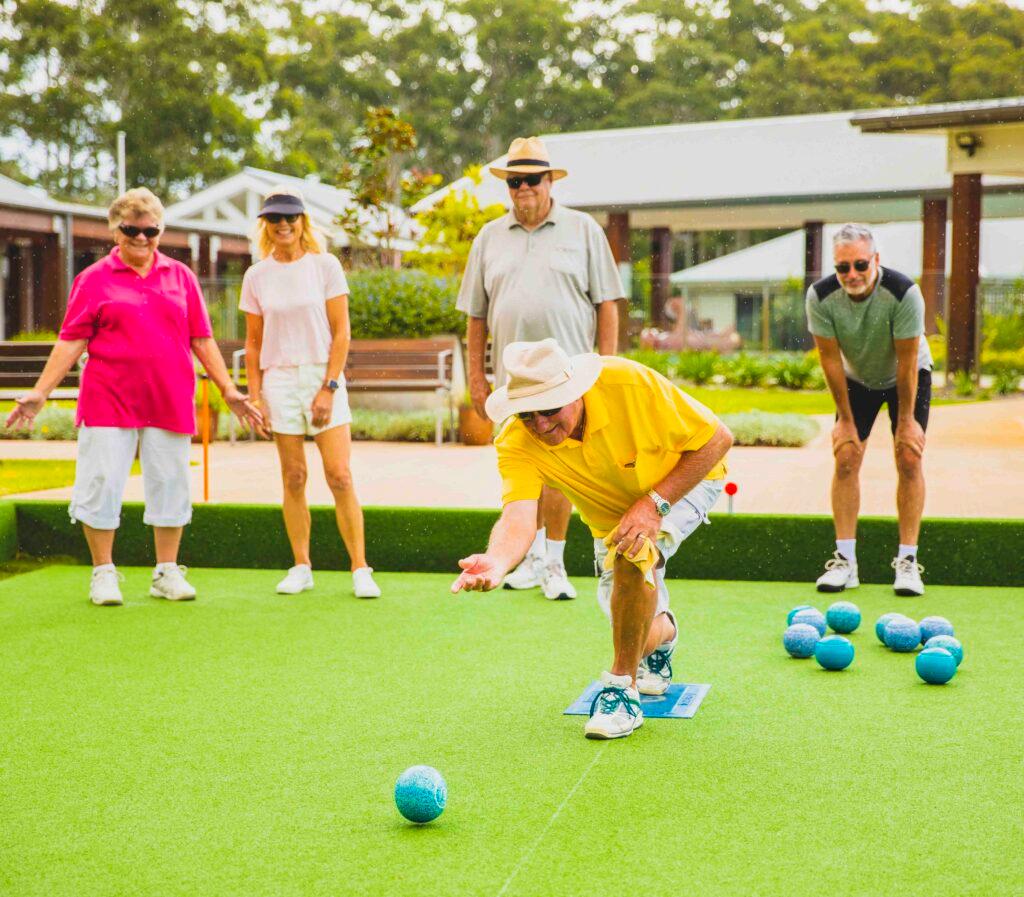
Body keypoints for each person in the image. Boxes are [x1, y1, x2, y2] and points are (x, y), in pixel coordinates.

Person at [451, 339, 732, 740]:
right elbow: (518, 515)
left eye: (550, 410)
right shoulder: (516, 442)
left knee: (633, 553)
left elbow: (717, 438)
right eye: (528, 415)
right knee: (634, 632)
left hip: (687, 481)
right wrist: (498, 560)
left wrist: (653, 504)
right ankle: (665, 634)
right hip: (611, 518)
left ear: (576, 392)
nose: (541, 426)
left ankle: (621, 692)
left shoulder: (630, 384)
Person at [4, 188, 262, 606]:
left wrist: (228, 389)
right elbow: (71, 341)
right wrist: (40, 392)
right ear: (115, 229)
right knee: (101, 479)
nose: (141, 238)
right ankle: (103, 573)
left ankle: (166, 571)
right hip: (108, 397)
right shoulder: (92, 280)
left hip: (169, 396)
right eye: (131, 229)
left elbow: (202, 337)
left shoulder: (181, 276)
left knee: (170, 481)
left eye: (151, 230)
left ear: (161, 230)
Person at [458, 136, 623, 601]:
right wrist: (477, 377)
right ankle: (527, 560)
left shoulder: (584, 229)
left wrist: (604, 366)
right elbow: (475, 316)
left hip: (568, 377)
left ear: (550, 181)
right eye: (515, 180)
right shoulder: (488, 237)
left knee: (563, 470)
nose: (523, 188)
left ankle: (553, 561)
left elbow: (606, 304)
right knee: (524, 469)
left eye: (532, 179)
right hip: (514, 382)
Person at [240, 186, 381, 599]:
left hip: (322, 375)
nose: (283, 224)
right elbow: (252, 341)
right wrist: (256, 393)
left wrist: (329, 386)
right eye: (275, 218)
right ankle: (301, 565)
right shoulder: (256, 275)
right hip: (278, 379)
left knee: (339, 475)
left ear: (302, 221)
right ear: (265, 224)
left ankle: (360, 568)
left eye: (290, 217)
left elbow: (342, 332)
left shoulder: (325, 266)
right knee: (294, 476)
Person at [807, 223, 933, 597]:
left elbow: (907, 361)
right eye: (843, 267)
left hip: (907, 375)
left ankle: (908, 563)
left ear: (875, 260)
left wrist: (908, 421)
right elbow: (829, 360)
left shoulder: (903, 292)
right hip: (856, 378)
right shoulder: (821, 296)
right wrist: (845, 420)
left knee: (909, 458)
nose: (852, 275)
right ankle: (846, 563)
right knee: (846, 456)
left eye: (860, 265)